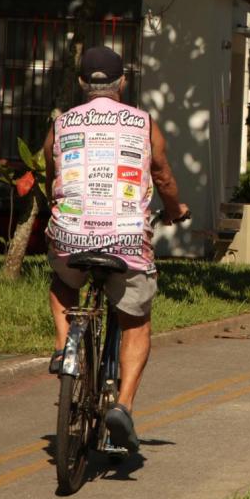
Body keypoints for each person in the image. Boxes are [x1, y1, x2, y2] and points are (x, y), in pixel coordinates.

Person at [44, 46, 188, 453]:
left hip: (70, 235)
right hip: (125, 241)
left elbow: (54, 172)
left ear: (81, 84)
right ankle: (123, 406)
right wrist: (176, 209)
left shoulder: (62, 124)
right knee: (136, 320)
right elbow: (162, 175)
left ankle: (64, 349)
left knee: (62, 281)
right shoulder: (143, 124)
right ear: (122, 82)